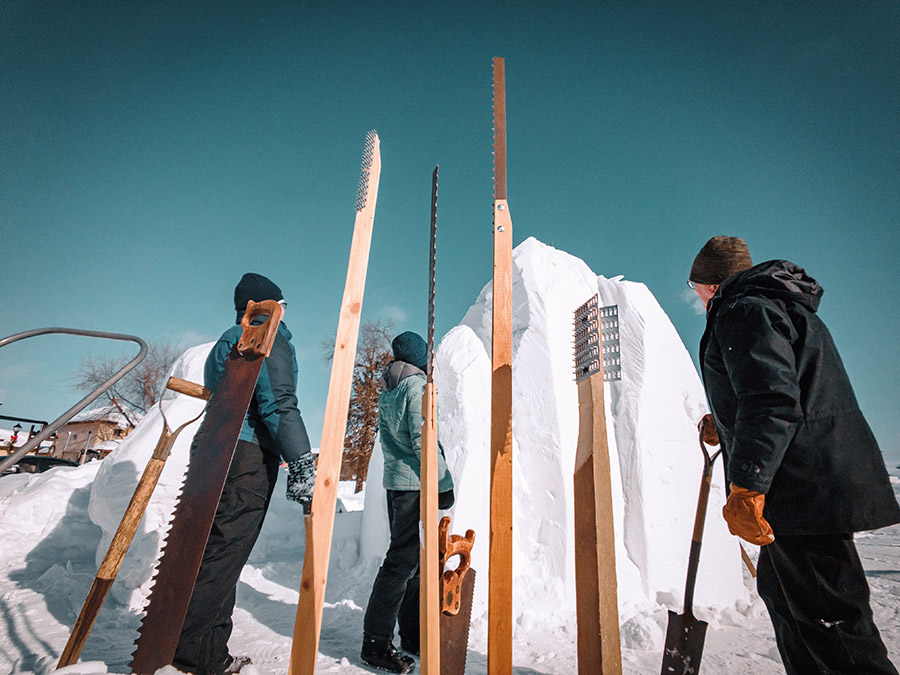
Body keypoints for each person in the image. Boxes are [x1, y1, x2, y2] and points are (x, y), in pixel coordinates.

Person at [688, 236, 900, 674]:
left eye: (696, 286)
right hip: (803, 490)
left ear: (710, 283)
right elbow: (778, 389)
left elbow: (772, 401)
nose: (697, 297)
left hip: (806, 494)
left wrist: (747, 482)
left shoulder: (745, 310)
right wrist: (725, 424)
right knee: (786, 601)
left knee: (833, 623)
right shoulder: (773, 306)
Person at [173, 272, 316, 675]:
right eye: (282, 304)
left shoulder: (225, 339)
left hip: (215, 451)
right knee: (224, 555)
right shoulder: (269, 335)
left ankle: (206, 652)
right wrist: (302, 460)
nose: (285, 311)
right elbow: (279, 403)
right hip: (247, 458)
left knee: (213, 551)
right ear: (269, 306)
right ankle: (188, 655)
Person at [360, 331, 455, 674]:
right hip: (415, 486)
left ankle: (412, 635)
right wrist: (444, 483)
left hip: (398, 485)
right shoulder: (416, 387)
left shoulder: (391, 388)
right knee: (401, 564)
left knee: (411, 562)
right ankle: (375, 643)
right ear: (420, 358)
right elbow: (424, 441)